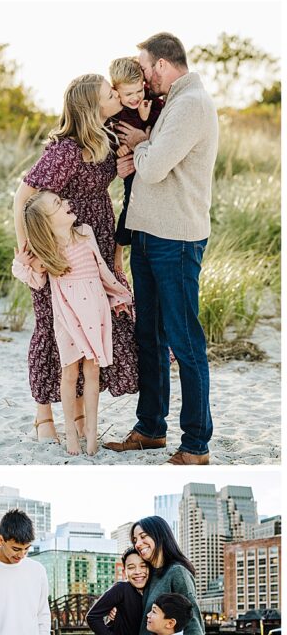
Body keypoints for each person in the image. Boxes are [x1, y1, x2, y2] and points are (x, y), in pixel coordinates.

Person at [106, 33, 219, 465]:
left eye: (144, 65)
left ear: (162, 65)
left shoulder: (191, 104)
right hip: (149, 234)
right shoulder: (172, 101)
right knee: (147, 335)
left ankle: (195, 444)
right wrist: (140, 144)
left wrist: (140, 145)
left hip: (177, 238)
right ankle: (151, 427)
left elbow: (151, 168)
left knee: (184, 339)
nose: (141, 74)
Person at [13, 74, 138, 444]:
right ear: (92, 105)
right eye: (109, 93)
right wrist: (33, 252)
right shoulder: (65, 150)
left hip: (93, 244)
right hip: (59, 249)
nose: (117, 95)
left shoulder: (107, 136)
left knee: (91, 330)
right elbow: (23, 198)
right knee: (53, 328)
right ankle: (43, 417)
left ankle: (81, 415)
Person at [12, 192, 134, 455]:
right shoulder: (47, 251)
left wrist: (117, 297)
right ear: (46, 222)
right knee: (69, 374)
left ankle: (91, 431)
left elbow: (102, 270)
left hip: (95, 311)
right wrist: (21, 264)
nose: (67, 203)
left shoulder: (86, 233)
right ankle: (69, 430)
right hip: (67, 317)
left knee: (92, 373)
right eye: (58, 204)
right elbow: (35, 282)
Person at [105, 56, 163, 269]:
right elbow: (107, 132)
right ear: (116, 90)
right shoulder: (114, 109)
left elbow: (158, 126)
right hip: (130, 166)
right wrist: (117, 148)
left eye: (138, 91)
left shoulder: (150, 100)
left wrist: (146, 117)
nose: (135, 97)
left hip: (150, 160)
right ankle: (119, 247)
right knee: (131, 205)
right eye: (128, 94)